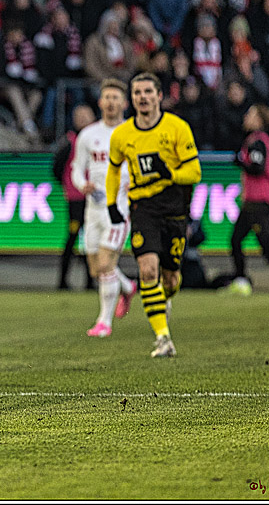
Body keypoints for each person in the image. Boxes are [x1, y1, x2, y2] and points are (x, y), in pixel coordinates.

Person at [107, 72, 201, 358]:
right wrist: (113, 203)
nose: (143, 97)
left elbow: (194, 172)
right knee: (148, 270)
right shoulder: (122, 134)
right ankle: (163, 337)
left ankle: (164, 299)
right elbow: (113, 170)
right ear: (131, 99)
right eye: (137, 93)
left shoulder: (177, 127)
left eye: (148, 92)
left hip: (173, 207)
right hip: (143, 208)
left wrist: (170, 173)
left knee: (170, 279)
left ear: (159, 96)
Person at [71, 80, 138, 338]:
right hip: (93, 209)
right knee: (95, 268)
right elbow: (77, 167)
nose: (110, 102)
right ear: (100, 102)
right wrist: (82, 184)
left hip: (119, 209)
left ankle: (104, 322)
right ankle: (127, 287)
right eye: (106, 97)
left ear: (124, 103)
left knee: (106, 264)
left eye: (115, 98)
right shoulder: (88, 135)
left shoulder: (131, 132)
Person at [229, 105, 269, 288]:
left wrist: (241, 163)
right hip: (255, 201)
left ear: (259, 119)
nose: (246, 117)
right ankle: (242, 278)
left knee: (264, 242)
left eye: (250, 114)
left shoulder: (257, 142)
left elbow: (257, 168)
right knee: (241, 240)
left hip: (256, 201)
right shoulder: (261, 141)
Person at [52, 104, 94, 290]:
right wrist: (67, 186)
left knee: (90, 240)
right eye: (80, 116)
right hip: (76, 199)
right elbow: (56, 167)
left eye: (86, 115)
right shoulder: (70, 142)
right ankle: (63, 280)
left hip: (94, 198)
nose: (83, 119)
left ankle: (90, 281)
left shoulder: (96, 140)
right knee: (74, 237)